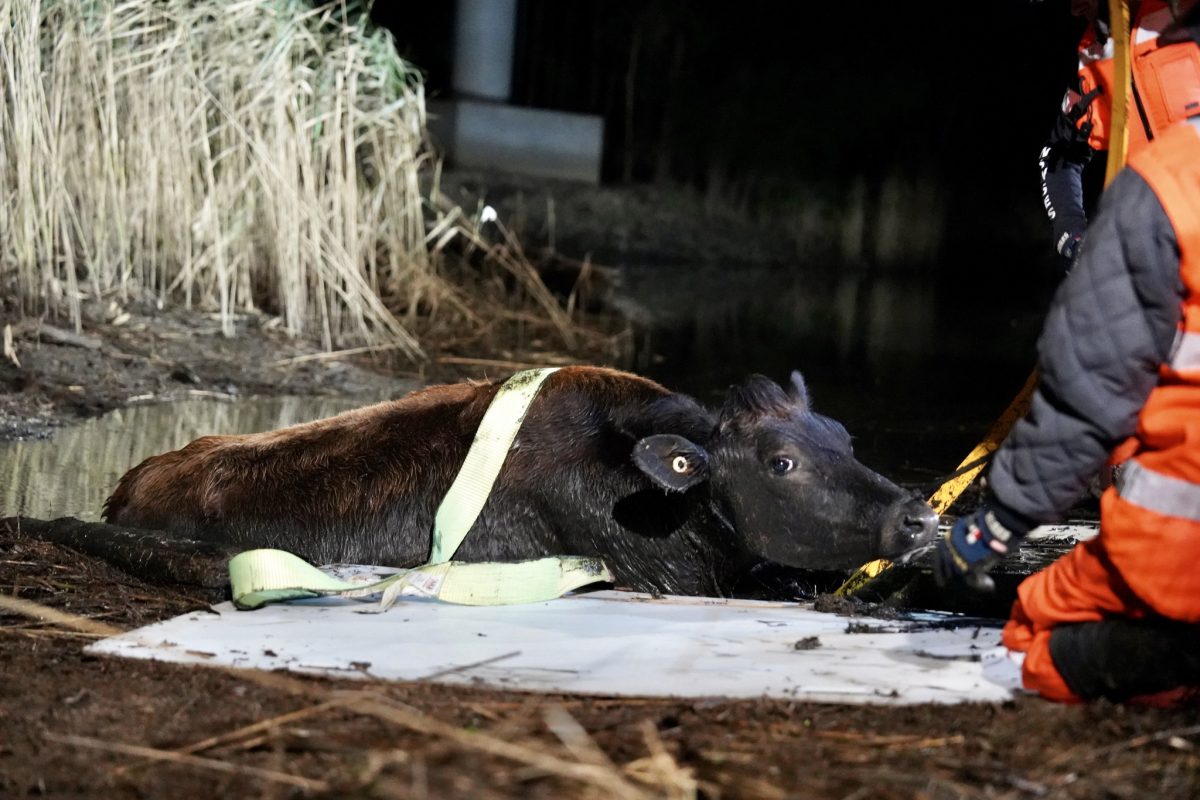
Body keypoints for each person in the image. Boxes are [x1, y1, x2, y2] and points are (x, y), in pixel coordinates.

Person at [934, 7, 1200, 705]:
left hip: (1162, 236)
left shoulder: (1172, 176)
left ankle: (1157, 629)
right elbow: (1062, 155)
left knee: (1038, 639)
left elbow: (1088, 396)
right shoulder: (1100, 46)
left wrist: (997, 523)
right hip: (1144, 254)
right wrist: (1076, 240)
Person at [1038, 0, 1200, 267]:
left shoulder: (1185, 13)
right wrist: (1072, 235)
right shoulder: (1091, 62)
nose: (1074, 9)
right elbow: (1059, 155)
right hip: (1157, 263)